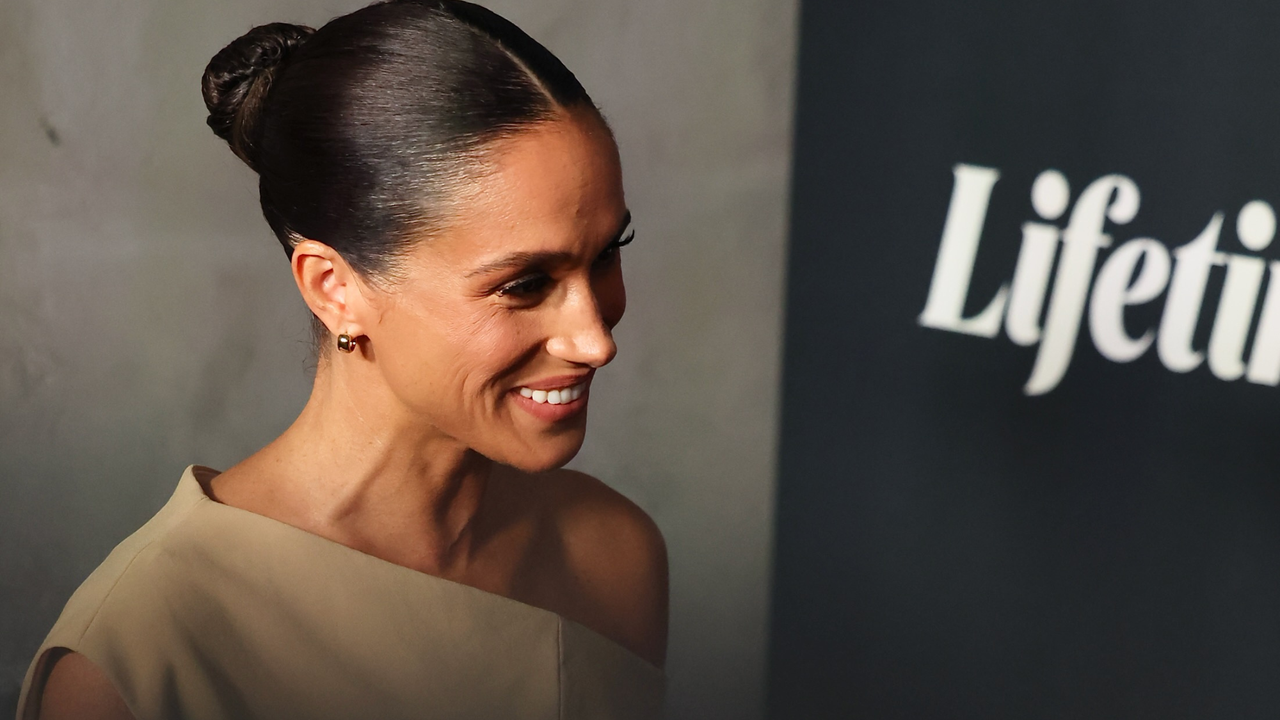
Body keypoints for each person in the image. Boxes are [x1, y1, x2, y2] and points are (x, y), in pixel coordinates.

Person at [16, 1, 668, 718]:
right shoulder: (142, 651)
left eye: (608, 253)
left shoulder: (614, 557)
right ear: (336, 289)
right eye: (523, 284)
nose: (595, 340)